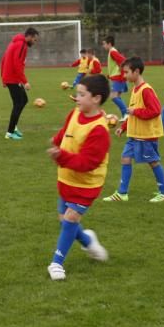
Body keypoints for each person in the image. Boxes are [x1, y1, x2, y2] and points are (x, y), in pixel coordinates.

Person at [46, 73, 111, 280]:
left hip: (87, 185)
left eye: (82, 95)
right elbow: (66, 131)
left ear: (96, 99)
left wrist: (61, 156)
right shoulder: (75, 112)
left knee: (71, 218)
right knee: (64, 220)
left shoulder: (99, 130)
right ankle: (88, 241)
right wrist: (56, 142)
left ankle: (57, 263)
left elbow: (87, 164)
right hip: (66, 177)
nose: (77, 98)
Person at [103, 57, 164, 203]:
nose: (124, 76)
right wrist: (124, 127)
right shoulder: (135, 88)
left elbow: (155, 111)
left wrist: (135, 112)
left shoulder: (146, 90)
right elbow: (132, 111)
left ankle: (163, 193)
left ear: (137, 71)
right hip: (134, 134)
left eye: (126, 72)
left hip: (145, 136)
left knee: (153, 162)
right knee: (125, 158)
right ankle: (122, 193)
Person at [0, 27, 37, 140]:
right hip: (13, 78)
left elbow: (4, 59)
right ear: (29, 37)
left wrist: (3, 77)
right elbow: (17, 64)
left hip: (10, 78)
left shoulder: (14, 43)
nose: (35, 42)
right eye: (35, 40)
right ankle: (10, 132)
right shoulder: (22, 45)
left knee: (23, 101)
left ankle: (14, 127)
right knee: (18, 103)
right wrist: (25, 81)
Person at [102, 35, 128, 117]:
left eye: (104, 44)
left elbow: (123, 60)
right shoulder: (112, 51)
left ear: (109, 44)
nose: (103, 46)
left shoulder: (112, 52)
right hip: (117, 77)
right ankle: (125, 115)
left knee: (113, 96)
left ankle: (127, 114)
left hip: (119, 77)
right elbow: (116, 64)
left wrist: (121, 70)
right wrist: (109, 75)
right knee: (117, 97)